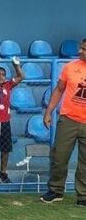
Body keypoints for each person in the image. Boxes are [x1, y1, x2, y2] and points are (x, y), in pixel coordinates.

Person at [42, 38, 86, 205]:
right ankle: (55, 190)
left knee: (85, 162)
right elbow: (59, 89)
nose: (80, 51)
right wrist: (48, 112)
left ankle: (83, 197)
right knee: (59, 156)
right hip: (68, 119)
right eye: (80, 48)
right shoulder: (70, 67)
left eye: (84, 49)